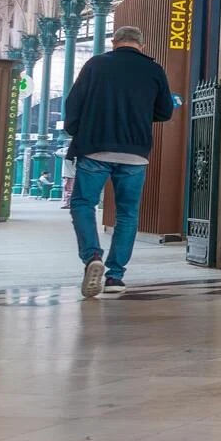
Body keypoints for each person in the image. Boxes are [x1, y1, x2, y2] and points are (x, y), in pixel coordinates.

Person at [64, 25, 175, 299]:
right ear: (142, 45)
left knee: (82, 203)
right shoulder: (154, 70)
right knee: (127, 214)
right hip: (134, 153)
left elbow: (73, 103)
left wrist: (76, 130)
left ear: (114, 42)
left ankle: (92, 256)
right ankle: (115, 276)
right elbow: (165, 111)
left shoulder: (95, 64)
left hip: (95, 148)